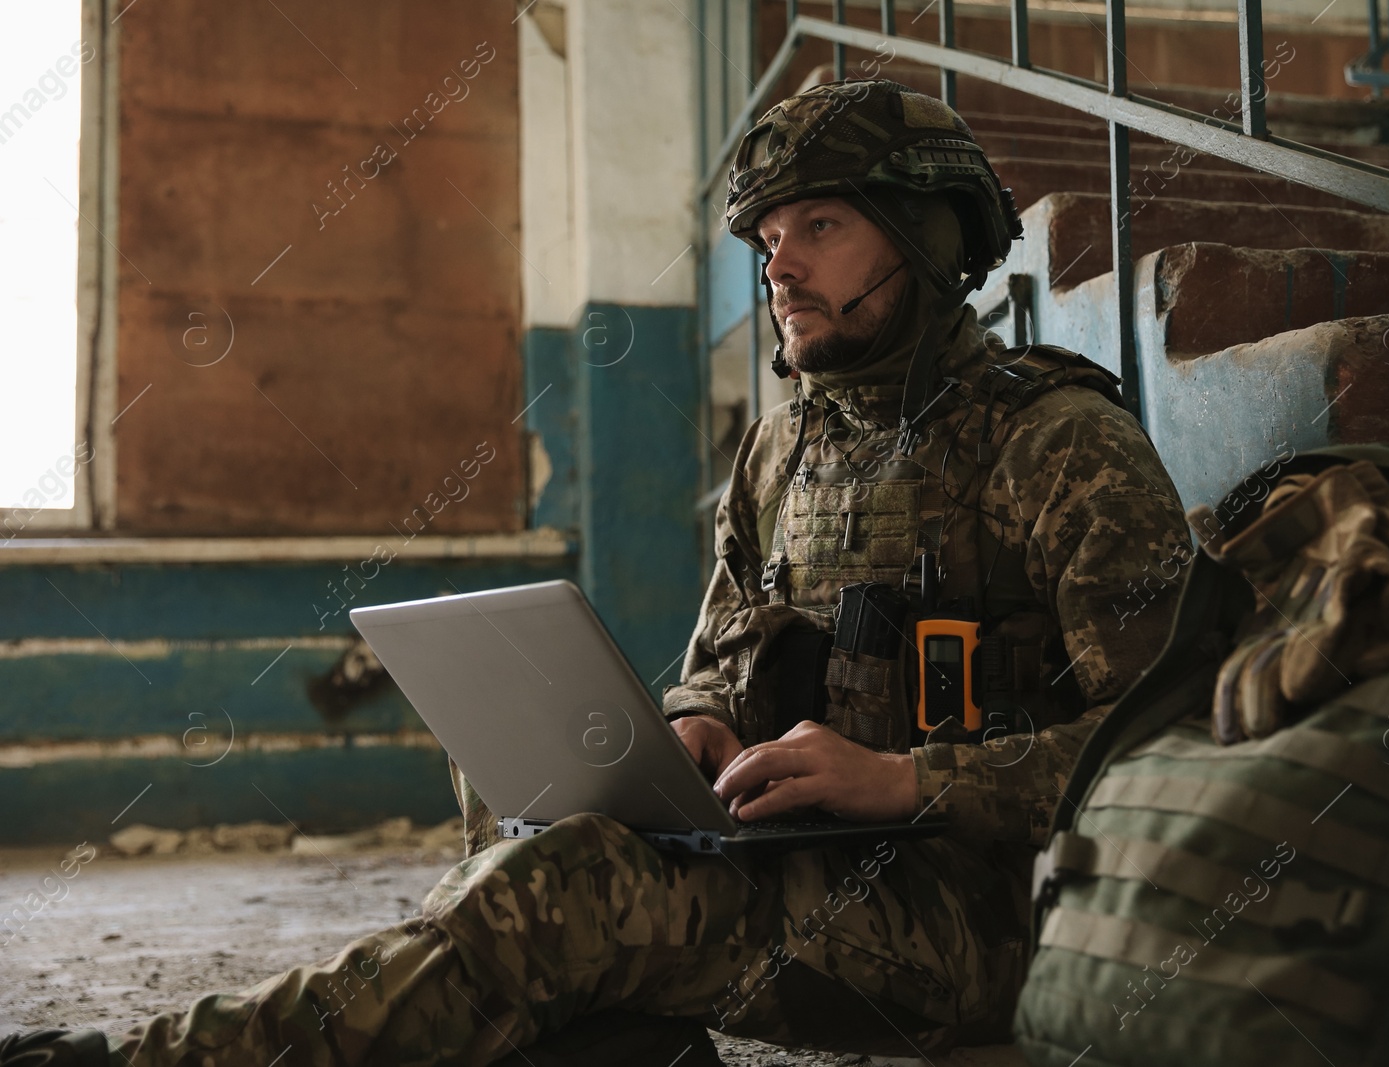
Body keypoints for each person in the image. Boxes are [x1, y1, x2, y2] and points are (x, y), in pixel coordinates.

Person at [1, 79, 1190, 1067]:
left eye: (818, 226)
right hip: (804, 850)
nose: (779, 267)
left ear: (926, 234)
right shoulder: (786, 445)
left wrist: (904, 778)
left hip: (989, 911)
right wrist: (697, 722)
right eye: (768, 240)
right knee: (521, 789)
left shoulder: (1053, 443)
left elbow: (1170, 759)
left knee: (564, 890)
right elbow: (720, 657)